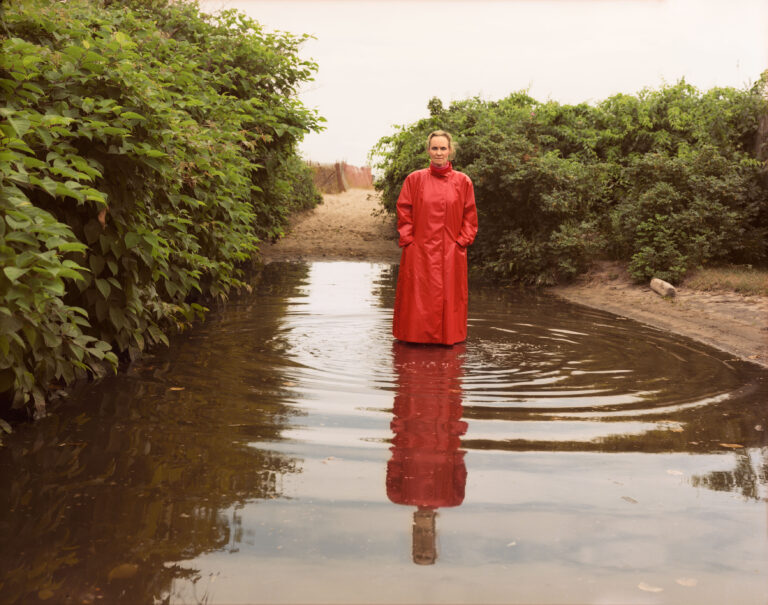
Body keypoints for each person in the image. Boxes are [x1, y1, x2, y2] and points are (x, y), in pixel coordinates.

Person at [392, 130, 478, 345]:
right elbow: (404, 211)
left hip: (451, 252)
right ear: (428, 151)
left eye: (443, 148)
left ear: (450, 151)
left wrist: (461, 242)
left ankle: (448, 338)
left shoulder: (463, 181)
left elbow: (470, 216)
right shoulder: (414, 179)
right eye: (434, 148)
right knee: (417, 298)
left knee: (449, 297)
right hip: (418, 251)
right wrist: (409, 240)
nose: (439, 153)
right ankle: (414, 339)